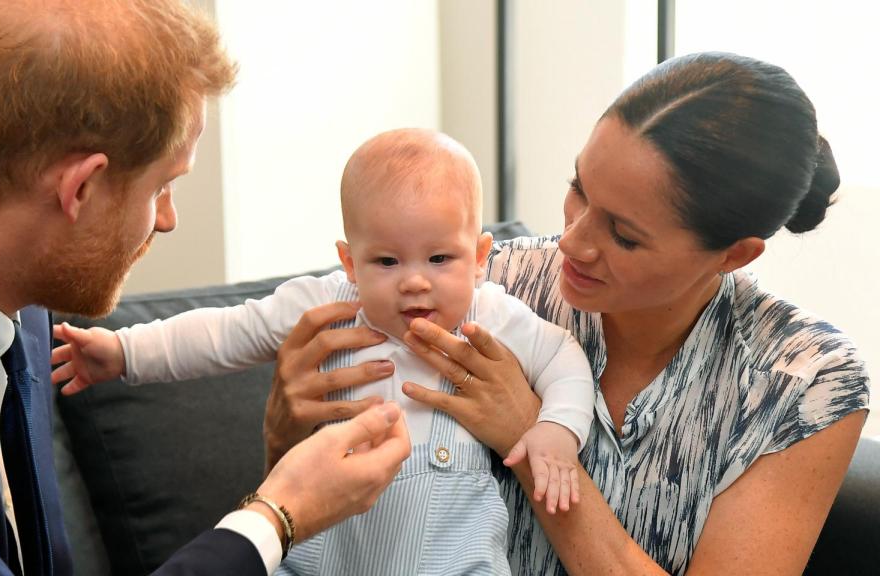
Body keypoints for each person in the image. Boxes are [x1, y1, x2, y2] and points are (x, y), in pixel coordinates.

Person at [0, 1, 410, 574]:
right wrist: (277, 515)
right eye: (162, 186)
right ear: (81, 188)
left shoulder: (23, 292)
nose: (167, 219)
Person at [263, 52, 871, 574]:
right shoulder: (484, 283)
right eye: (578, 188)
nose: (572, 242)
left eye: (623, 235)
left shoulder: (804, 382)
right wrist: (284, 431)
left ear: (733, 255)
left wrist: (531, 436)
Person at [51, 127, 596, 575]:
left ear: (478, 257)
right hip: (326, 552)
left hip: (454, 557)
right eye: (387, 262)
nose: (415, 282)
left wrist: (556, 430)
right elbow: (225, 332)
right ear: (350, 262)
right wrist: (123, 352)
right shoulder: (326, 303)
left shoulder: (492, 314)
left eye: (439, 259)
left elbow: (563, 359)